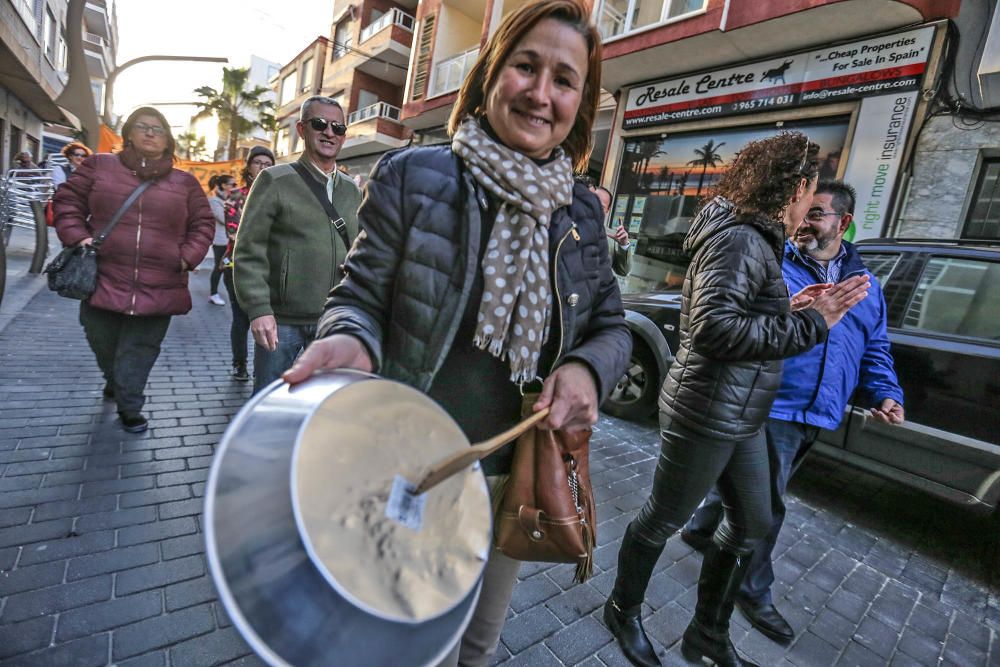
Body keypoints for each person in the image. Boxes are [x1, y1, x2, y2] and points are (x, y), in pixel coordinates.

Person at [283, 2, 630, 665]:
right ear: (491, 71)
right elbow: (358, 293)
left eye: (564, 79)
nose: (540, 92)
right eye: (526, 66)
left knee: (476, 642)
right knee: (396, 632)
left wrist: (588, 368)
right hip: (407, 469)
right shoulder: (415, 176)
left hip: (510, 479)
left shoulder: (582, 210)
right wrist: (351, 336)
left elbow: (609, 325)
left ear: (581, 102)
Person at [603, 133, 872, 667]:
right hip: (706, 410)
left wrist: (791, 307)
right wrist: (813, 323)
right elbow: (714, 331)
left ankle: (707, 636)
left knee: (753, 523)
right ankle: (622, 609)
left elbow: (741, 314)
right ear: (795, 188)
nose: (807, 207)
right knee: (662, 519)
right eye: (810, 193)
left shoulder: (760, 238)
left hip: (745, 412)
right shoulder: (742, 239)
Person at [680, 180, 904, 645]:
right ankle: (751, 589)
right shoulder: (776, 261)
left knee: (752, 489)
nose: (805, 221)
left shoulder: (864, 285)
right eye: (805, 211)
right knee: (768, 504)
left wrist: (885, 393)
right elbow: (739, 322)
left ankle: (703, 528)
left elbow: (874, 346)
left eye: (818, 214)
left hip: (819, 411)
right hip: (770, 400)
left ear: (842, 223)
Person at [52, 106, 214, 433]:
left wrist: (185, 258)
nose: (151, 133)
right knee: (101, 341)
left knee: (140, 350)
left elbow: (203, 224)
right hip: (102, 278)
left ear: (168, 139)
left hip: (161, 284)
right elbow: (66, 203)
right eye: (143, 126)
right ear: (128, 134)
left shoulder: (185, 183)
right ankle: (114, 379)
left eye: (159, 129)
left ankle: (130, 405)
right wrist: (78, 238)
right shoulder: (99, 166)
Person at [233, 96, 362, 393]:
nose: (330, 133)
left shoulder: (352, 191)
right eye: (320, 124)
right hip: (281, 321)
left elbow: (360, 252)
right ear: (302, 130)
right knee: (268, 397)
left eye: (338, 127)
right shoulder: (274, 180)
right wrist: (259, 309)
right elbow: (249, 250)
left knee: (321, 400)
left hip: (332, 319)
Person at [222, 146, 274, 382]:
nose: (263, 167)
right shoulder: (236, 196)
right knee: (242, 319)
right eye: (258, 163)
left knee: (268, 318)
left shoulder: (279, 193)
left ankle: (263, 369)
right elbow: (235, 234)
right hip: (238, 267)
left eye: (268, 163)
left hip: (272, 270)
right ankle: (239, 363)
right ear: (249, 167)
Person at [206, 174, 238, 306]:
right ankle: (213, 294)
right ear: (224, 186)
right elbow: (223, 218)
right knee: (220, 267)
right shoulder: (214, 201)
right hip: (221, 241)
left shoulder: (231, 200)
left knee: (228, 266)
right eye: (233, 185)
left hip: (230, 240)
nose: (235, 187)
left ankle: (229, 293)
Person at [591, 184, 631, 277]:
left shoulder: (613, 237)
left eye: (601, 207)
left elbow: (624, 271)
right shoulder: (568, 227)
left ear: (607, 210)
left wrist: (624, 244)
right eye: (593, 203)